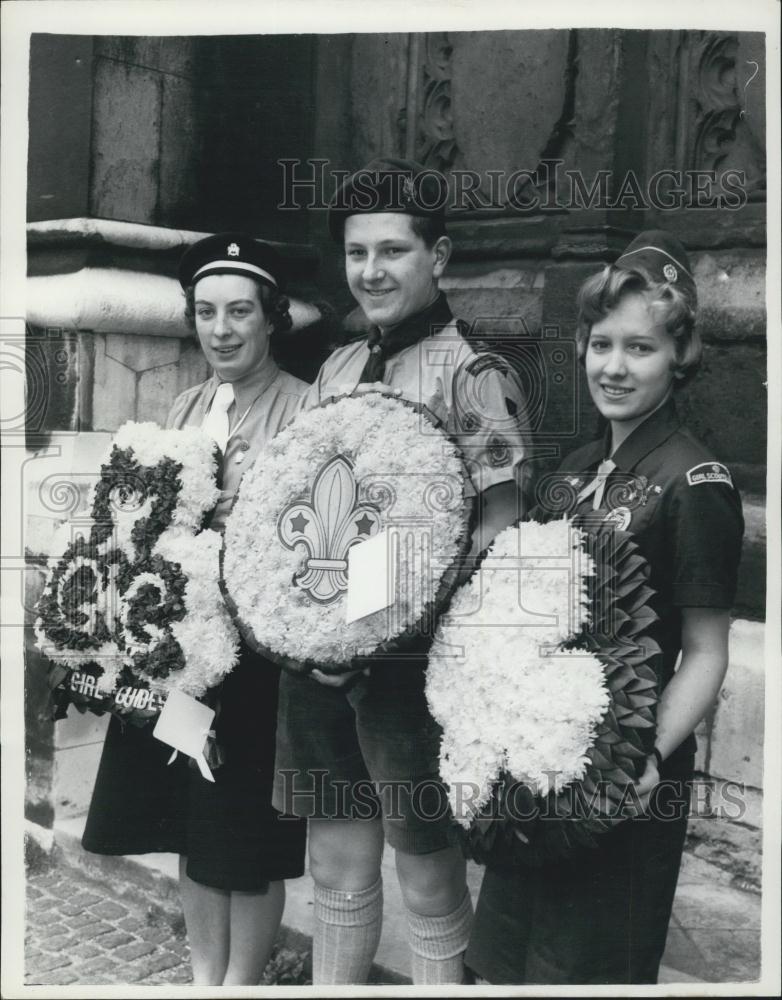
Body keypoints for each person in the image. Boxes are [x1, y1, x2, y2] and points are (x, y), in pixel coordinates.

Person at [272, 159, 531, 985]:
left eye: (393, 251)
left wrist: (387, 614)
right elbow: (296, 505)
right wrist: (306, 622)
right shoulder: (338, 370)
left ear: (439, 255)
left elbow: (501, 525)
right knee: (336, 865)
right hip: (316, 656)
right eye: (357, 254)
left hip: (409, 667)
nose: (372, 272)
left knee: (426, 871)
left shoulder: (475, 376)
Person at [465, 231, 744, 984]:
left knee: (583, 968)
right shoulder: (574, 471)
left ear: (678, 358)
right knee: (504, 963)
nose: (615, 367)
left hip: (625, 778)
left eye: (641, 349)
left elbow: (708, 651)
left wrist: (643, 758)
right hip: (536, 762)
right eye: (602, 344)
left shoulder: (697, 481)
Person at [83, 232, 327, 985]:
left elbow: (309, 529)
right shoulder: (188, 403)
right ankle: (202, 975)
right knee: (192, 816)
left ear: (272, 318)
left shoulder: (305, 407)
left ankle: (242, 981)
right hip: (180, 656)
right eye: (206, 312)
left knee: (245, 835)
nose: (221, 330)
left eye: (240, 312)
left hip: (256, 658)